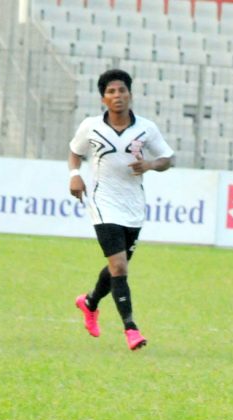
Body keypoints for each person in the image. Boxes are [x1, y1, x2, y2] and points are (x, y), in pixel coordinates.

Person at [69, 69, 175, 350]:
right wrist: (74, 175)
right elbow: (75, 152)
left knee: (118, 266)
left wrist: (150, 165)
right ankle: (131, 329)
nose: (117, 96)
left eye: (122, 91)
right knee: (119, 266)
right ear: (103, 98)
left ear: (130, 94)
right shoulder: (91, 126)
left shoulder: (146, 128)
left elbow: (168, 158)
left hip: (133, 206)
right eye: (111, 92)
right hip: (103, 203)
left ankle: (90, 302)